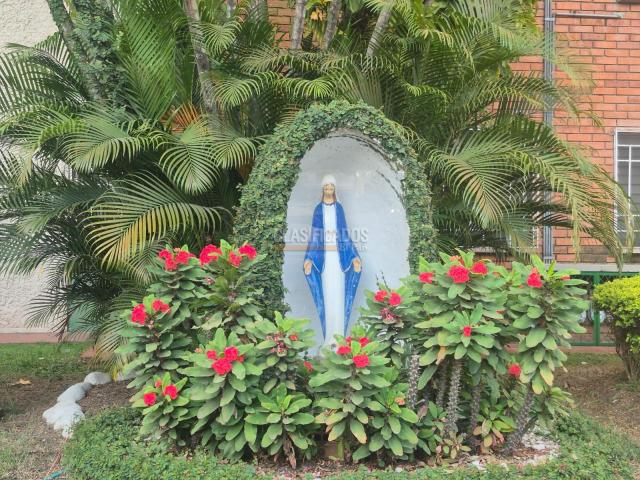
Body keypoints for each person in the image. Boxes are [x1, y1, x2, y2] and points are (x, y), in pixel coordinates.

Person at [303, 175, 361, 346]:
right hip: (324, 258)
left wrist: (353, 256)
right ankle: (328, 339)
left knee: (339, 294)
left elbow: (344, 233)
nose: (329, 191)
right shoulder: (318, 209)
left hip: (338, 257)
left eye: (331, 188)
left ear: (334, 190)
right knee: (328, 295)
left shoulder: (339, 208)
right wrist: (310, 258)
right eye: (326, 188)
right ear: (323, 190)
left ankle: (340, 337)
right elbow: (315, 236)